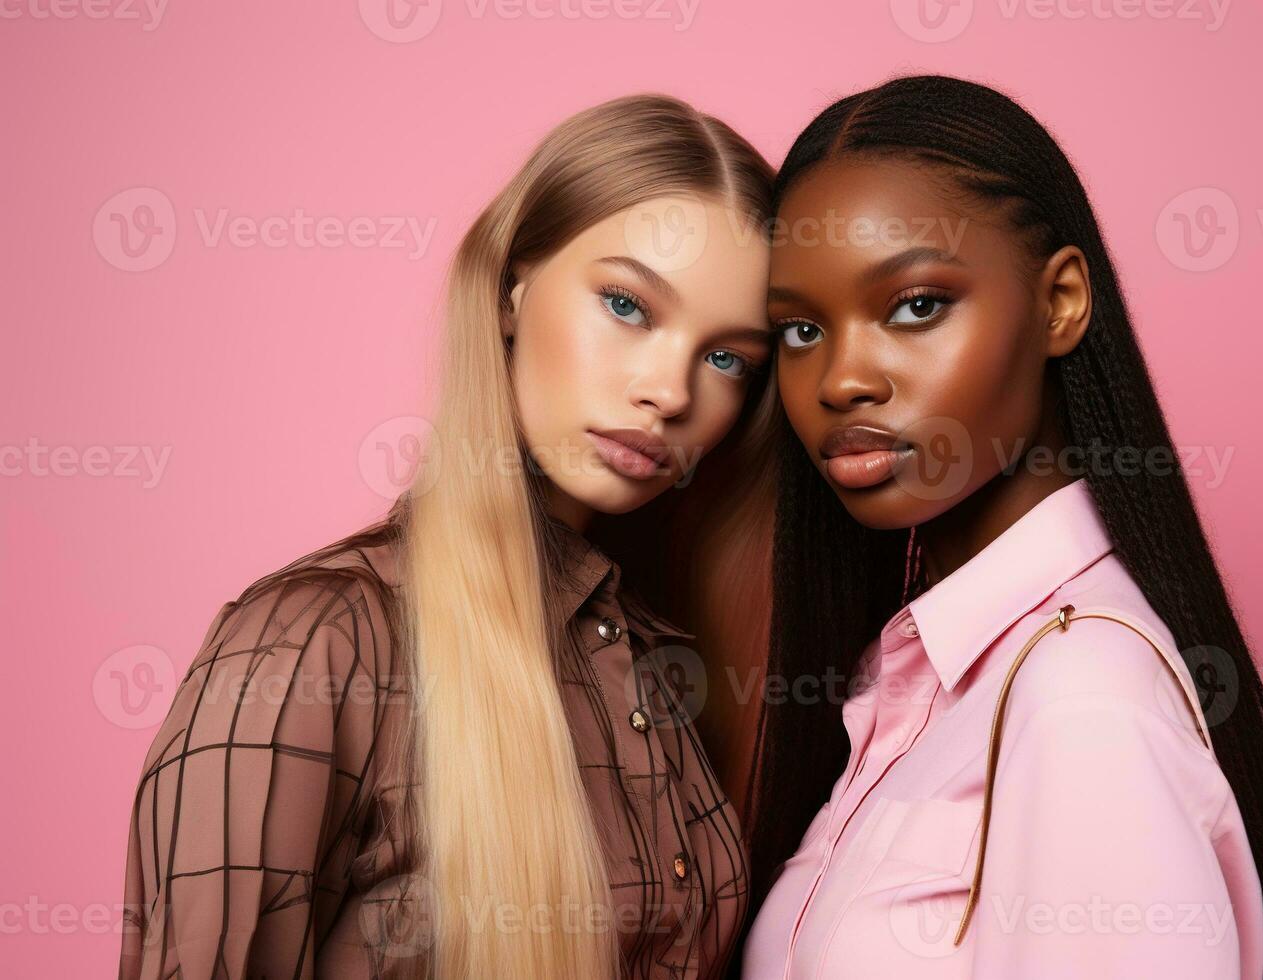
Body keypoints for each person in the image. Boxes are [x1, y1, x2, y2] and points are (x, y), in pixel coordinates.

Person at [120, 93, 780, 980]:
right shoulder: (315, 647)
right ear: (513, 289)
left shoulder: (655, 661)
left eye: (727, 356)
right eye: (627, 305)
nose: (669, 389)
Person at [740, 74, 1263, 979]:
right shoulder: (927, 675)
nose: (841, 379)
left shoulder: (1081, 701)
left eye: (916, 306)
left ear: (1061, 302)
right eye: (801, 330)